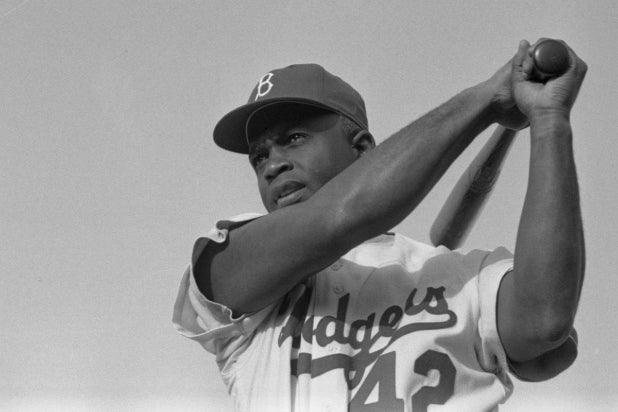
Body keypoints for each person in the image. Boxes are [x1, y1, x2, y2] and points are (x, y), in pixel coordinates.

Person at [173, 39, 587, 411]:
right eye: (259, 157)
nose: (272, 165)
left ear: (362, 150)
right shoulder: (228, 262)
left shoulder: (465, 276)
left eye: (294, 138)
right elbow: (340, 218)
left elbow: (544, 321)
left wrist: (550, 120)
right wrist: (484, 100)